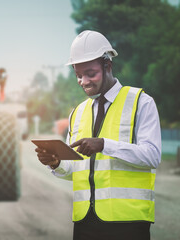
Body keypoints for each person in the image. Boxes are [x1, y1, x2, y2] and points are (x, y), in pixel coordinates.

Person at [35, 30, 161, 240]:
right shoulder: (78, 112)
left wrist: (104, 145)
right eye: (78, 75)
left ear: (107, 66)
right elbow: (76, 170)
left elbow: (153, 156)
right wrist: (56, 163)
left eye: (90, 73)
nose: (83, 81)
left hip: (128, 224)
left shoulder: (141, 102)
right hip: (85, 224)